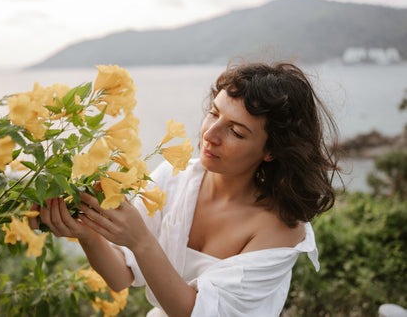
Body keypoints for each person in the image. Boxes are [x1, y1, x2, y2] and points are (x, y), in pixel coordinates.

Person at [30, 61, 341, 316]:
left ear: (271, 150)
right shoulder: (175, 177)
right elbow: (120, 276)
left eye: (235, 131)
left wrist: (140, 240)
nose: (210, 135)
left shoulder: (281, 228)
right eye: (214, 113)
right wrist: (88, 232)